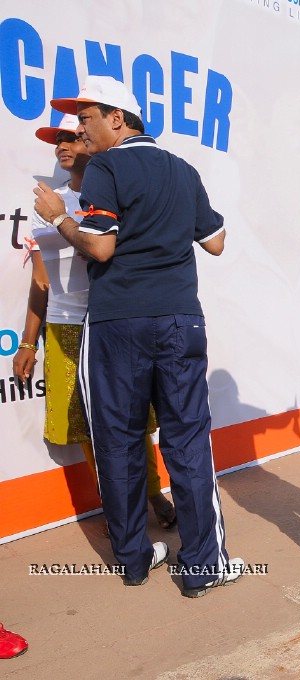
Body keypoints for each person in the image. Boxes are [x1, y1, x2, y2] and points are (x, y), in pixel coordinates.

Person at [34, 75, 240, 597]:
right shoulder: (183, 168)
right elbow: (215, 242)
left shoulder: (106, 165)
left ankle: (132, 560)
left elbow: (99, 249)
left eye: (86, 119)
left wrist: (61, 219)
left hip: (118, 323)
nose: (81, 132)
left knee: (119, 442)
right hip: (178, 320)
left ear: (117, 119)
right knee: (188, 443)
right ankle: (202, 567)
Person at [14, 112, 176, 533]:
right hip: (67, 327)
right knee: (90, 427)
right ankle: (120, 507)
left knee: (134, 416)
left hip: (115, 319)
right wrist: (28, 343)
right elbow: (41, 280)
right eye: (58, 140)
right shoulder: (48, 205)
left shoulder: (120, 190)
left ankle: (153, 490)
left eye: (72, 134)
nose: (64, 144)